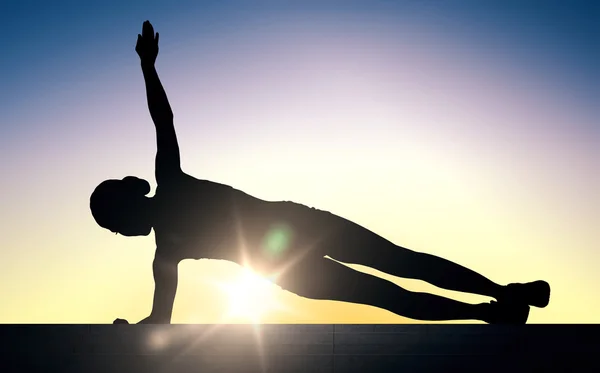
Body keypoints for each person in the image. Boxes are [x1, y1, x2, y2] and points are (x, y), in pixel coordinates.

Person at [91, 21, 550, 325]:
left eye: (113, 220)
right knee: (390, 291)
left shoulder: (169, 187)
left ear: (132, 197)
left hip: (299, 229)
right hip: (288, 264)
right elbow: (160, 321)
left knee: (401, 264)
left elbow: (163, 120)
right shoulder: (164, 254)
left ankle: (501, 294)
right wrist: (127, 329)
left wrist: (148, 67)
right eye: (111, 228)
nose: (118, 231)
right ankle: (489, 310)